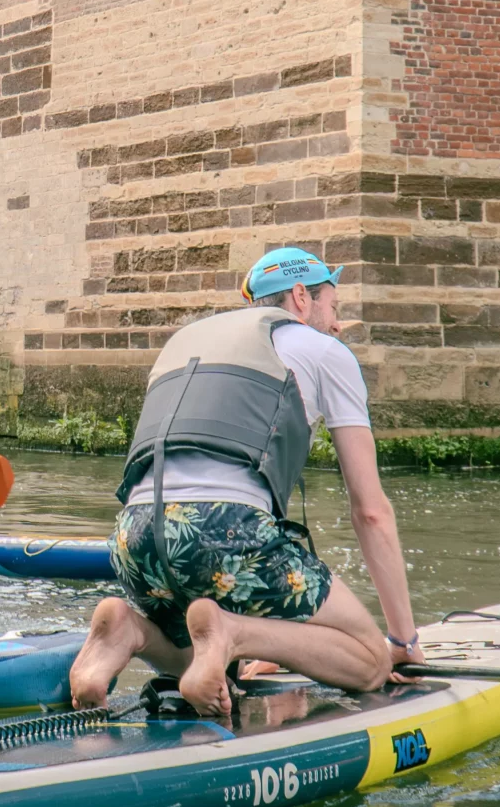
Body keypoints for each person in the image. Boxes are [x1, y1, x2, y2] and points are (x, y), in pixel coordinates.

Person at [69, 246, 423, 718]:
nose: (337, 325)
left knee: (204, 650)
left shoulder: (185, 341)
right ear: (302, 297)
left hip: (132, 537)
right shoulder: (324, 351)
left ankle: (130, 630)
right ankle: (233, 632)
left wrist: (276, 643)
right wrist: (403, 641)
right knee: (369, 661)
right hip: (225, 530)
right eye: (333, 307)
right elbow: (370, 512)